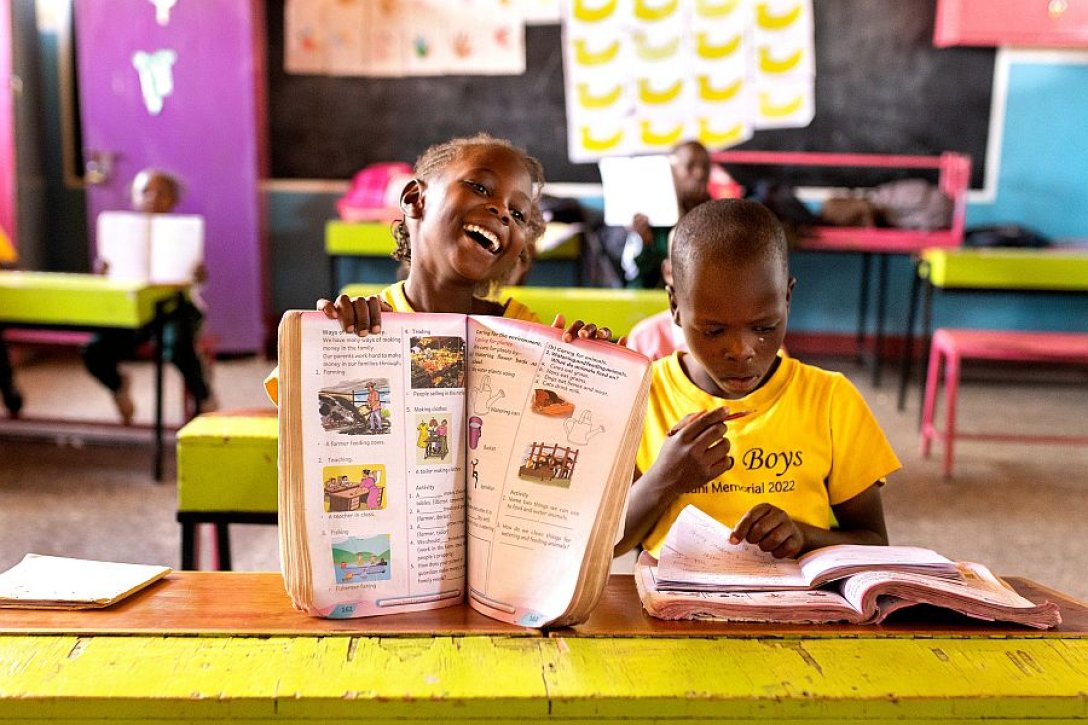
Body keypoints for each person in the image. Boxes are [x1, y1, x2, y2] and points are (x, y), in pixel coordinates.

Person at [615, 199, 899, 559]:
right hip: (673, 610)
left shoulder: (830, 400)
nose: (741, 350)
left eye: (764, 327)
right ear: (674, 306)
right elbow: (607, 545)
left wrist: (804, 535)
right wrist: (666, 478)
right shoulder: (642, 395)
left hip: (796, 609)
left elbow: (875, 542)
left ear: (787, 298)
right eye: (714, 330)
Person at [266, 133, 617, 402]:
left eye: (519, 213)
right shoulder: (366, 323)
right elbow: (297, 410)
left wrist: (583, 366)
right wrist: (330, 344)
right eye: (480, 187)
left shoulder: (523, 331)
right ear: (415, 200)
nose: (502, 211)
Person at [83, 168, 216, 424]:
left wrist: (198, 274)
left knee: (178, 347)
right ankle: (117, 384)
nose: (153, 198)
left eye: (162, 193)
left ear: (174, 200)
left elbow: (198, 283)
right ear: (133, 197)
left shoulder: (182, 233)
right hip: (133, 310)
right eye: (145, 191)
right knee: (93, 350)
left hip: (176, 308)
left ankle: (204, 395)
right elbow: (109, 280)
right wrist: (104, 271)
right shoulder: (119, 234)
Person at [619, 140, 713, 289]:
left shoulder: (717, 217)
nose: (700, 173)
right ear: (672, 170)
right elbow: (637, 281)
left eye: (705, 167)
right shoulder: (650, 217)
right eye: (690, 167)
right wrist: (646, 242)